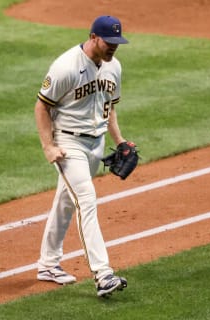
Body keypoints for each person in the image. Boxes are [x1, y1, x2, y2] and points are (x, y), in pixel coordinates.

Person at [34, 15, 132, 297]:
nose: (114, 46)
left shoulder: (114, 67)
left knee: (66, 200)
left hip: (96, 144)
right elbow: (41, 107)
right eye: (109, 41)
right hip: (68, 144)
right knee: (86, 200)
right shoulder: (66, 66)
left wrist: (120, 141)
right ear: (93, 38)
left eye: (117, 42)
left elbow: (109, 107)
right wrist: (49, 147)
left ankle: (48, 264)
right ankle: (103, 274)